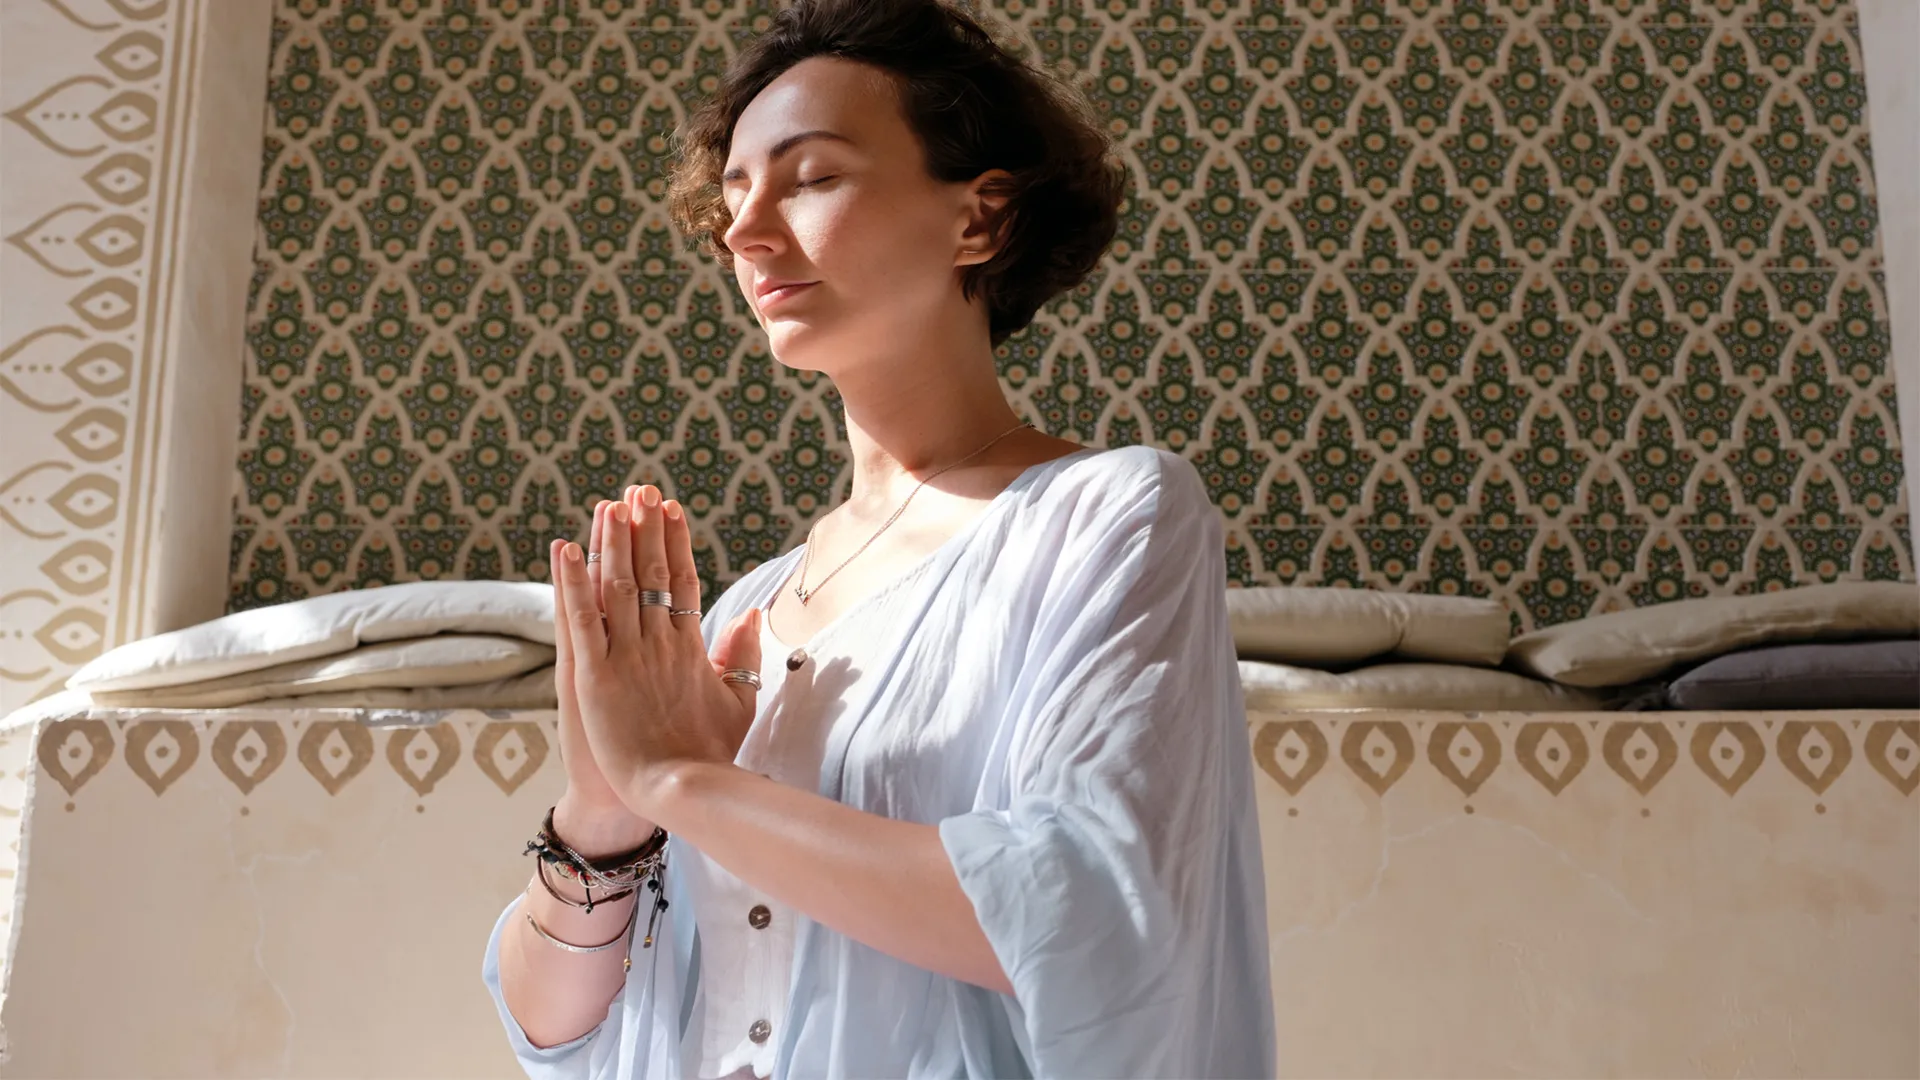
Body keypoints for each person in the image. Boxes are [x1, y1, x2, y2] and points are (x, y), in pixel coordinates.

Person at [481, 1, 1276, 1075]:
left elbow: (1094, 913)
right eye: (734, 191)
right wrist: (604, 811)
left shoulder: (1112, 517)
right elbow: (553, 1030)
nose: (745, 232)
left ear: (980, 221)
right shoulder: (739, 611)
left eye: (809, 178)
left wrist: (685, 783)